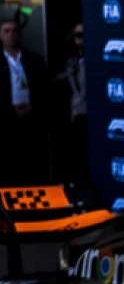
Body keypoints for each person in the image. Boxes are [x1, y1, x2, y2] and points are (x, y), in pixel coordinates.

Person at [0, 17, 46, 184]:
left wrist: (34, 107)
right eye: (7, 31)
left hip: (31, 120)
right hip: (4, 122)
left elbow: (43, 89)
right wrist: (7, 110)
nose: (11, 35)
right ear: (0, 35)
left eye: (15, 31)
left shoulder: (33, 60)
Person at [56, 22, 87, 184]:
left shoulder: (99, 62)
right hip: (75, 117)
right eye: (79, 36)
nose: (82, 40)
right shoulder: (71, 63)